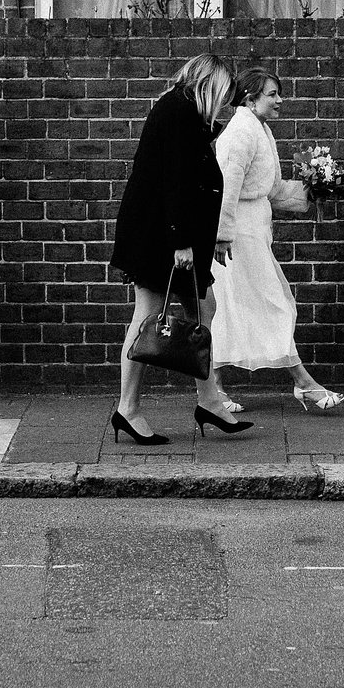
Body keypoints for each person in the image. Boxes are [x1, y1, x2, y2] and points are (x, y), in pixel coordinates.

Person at [108, 51, 253, 444]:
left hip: (170, 237)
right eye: (224, 96)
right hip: (162, 239)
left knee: (203, 306)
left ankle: (208, 400)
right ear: (208, 86)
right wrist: (182, 243)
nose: (227, 106)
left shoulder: (185, 113)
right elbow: (173, 183)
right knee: (149, 315)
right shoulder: (178, 113)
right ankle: (129, 409)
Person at [210, 68, 344, 413]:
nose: (279, 100)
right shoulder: (240, 132)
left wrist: (315, 189)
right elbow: (226, 189)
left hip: (253, 231)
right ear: (250, 98)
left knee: (229, 308)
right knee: (269, 304)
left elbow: (270, 189)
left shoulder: (259, 129)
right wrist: (222, 237)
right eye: (272, 94)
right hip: (237, 235)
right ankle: (304, 383)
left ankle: (214, 392)